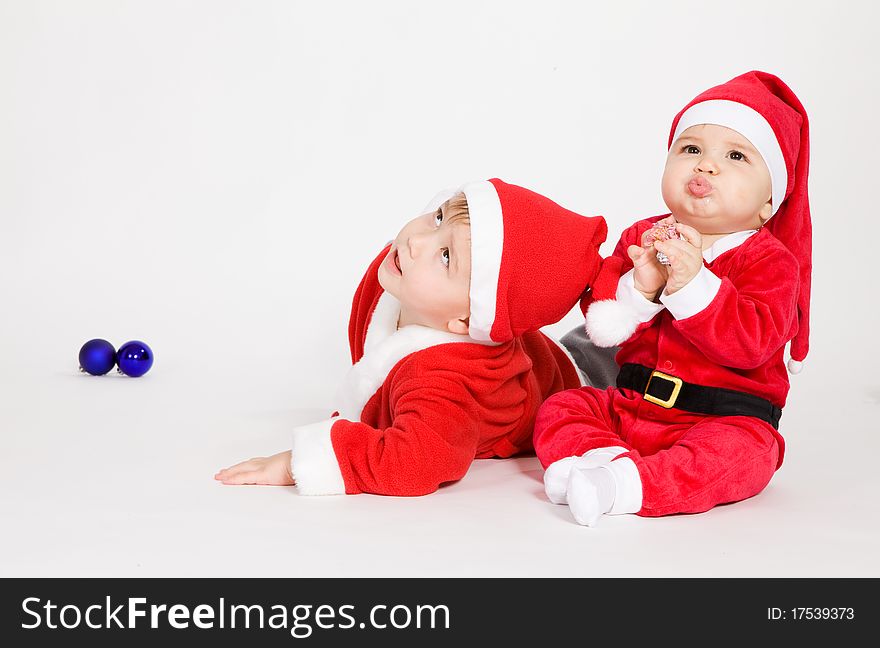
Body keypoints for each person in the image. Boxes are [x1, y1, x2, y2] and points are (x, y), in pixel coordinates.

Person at [215, 178, 620, 496]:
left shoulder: (446, 385)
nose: (416, 241)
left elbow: (416, 461)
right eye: (439, 218)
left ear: (467, 319)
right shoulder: (404, 281)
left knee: (638, 362)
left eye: (446, 256)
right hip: (553, 352)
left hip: (591, 386)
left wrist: (299, 464)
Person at [535, 70, 812, 526]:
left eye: (736, 155)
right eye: (691, 149)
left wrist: (690, 284)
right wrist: (641, 289)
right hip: (631, 403)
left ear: (768, 204)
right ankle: (600, 460)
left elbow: (753, 344)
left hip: (723, 418)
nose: (706, 165)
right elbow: (601, 320)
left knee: (741, 458)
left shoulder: (769, 261)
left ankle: (626, 486)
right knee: (563, 406)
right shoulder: (644, 236)